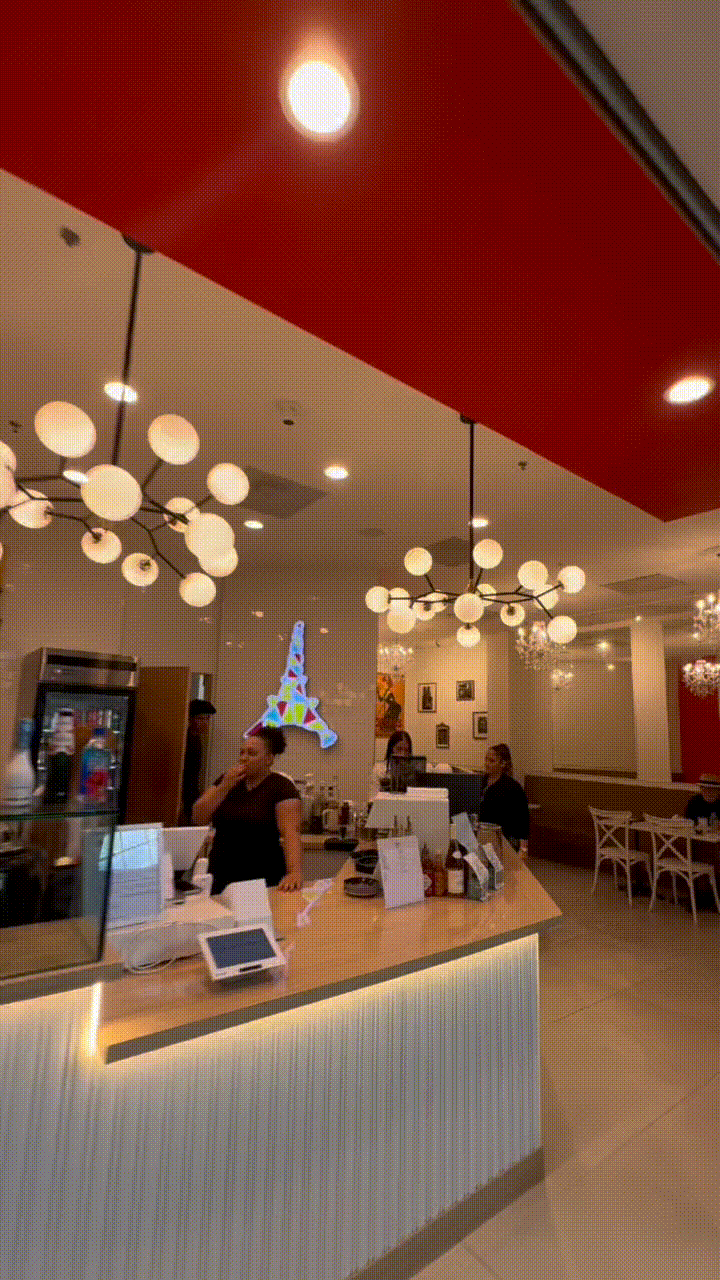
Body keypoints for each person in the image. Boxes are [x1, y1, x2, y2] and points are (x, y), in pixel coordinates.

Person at [192, 726, 303, 893]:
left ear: (269, 759)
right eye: (242, 753)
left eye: (251, 754)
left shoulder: (281, 786)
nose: (243, 758)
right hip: (220, 874)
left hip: (262, 876)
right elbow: (198, 817)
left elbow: (291, 832)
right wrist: (224, 786)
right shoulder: (227, 780)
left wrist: (294, 872)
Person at [477, 743, 529, 854]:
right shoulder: (481, 782)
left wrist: (523, 849)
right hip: (483, 835)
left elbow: (523, 819)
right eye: (486, 759)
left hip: (504, 839)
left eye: (492, 761)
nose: (487, 764)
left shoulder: (512, 787)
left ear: (503, 764)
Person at [180, 698, 216, 824]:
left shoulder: (196, 739)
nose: (205, 723)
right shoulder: (186, 739)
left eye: (207, 719)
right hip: (183, 797)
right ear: (190, 719)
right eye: (201, 719)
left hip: (191, 795)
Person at [369, 730, 413, 799]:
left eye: (406, 750)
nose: (403, 754)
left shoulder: (412, 771)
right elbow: (372, 797)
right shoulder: (379, 769)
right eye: (399, 749)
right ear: (391, 749)